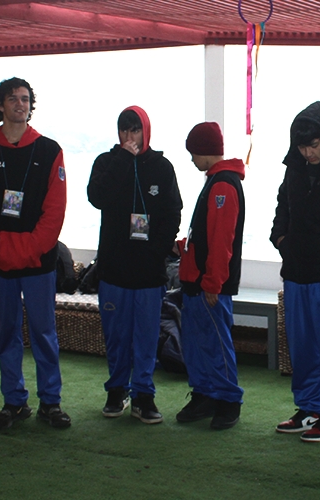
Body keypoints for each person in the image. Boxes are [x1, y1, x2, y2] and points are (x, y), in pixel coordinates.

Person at [0, 77, 71, 431]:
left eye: (26, 99)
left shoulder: (49, 150)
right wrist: (0, 248)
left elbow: (55, 211)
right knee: (6, 333)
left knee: (44, 332)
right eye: (13, 99)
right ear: (0, 105)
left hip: (39, 262)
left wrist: (24, 248)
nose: (20, 105)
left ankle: (51, 403)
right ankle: (14, 402)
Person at [88, 106, 182, 424]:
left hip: (148, 271)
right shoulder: (107, 162)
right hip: (114, 269)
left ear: (146, 131)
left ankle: (144, 394)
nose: (130, 137)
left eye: (135, 130)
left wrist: (157, 252)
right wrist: (123, 160)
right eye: (125, 131)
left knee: (145, 335)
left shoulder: (162, 167)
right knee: (116, 336)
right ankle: (117, 390)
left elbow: (173, 213)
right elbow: (96, 196)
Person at [270, 101, 320, 442]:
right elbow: (281, 207)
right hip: (295, 273)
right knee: (302, 346)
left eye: (314, 144)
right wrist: (280, 237)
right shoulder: (294, 169)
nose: (308, 152)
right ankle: (309, 408)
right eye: (302, 146)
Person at [174, 122, 245, 430]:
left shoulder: (224, 186)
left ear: (204, 151)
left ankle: (229, 399)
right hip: (196, 280)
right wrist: (182, 247)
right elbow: (203, 235)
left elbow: (221, 240)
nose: (191, 158)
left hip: (209, 285)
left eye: (193, 152)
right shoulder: (214, 181)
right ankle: (204, 392)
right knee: (196, 342)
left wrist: (213, 282)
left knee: (217, 342)